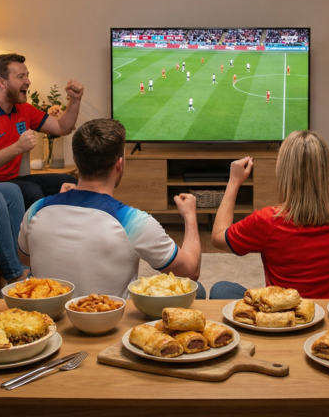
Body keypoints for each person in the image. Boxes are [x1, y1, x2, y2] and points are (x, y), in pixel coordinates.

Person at [17, 119, 203, 298]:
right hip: (108, 325)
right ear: (120, 165)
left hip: (47, 322)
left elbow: (25, 258)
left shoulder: (36, 210)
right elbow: (190, 271)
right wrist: (190, 216)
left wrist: (60, 202)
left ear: (76, 160)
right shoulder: (135, 222)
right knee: (198, 291)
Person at [209, 98, 329, 299]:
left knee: (221, 290)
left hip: (287, 319)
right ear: (328, 168)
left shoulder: (267, 221)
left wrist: (234, 182)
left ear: (284, 172)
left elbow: (218, 237)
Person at [0, 53, 83, 210]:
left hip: (11, 181)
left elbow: (61, 127)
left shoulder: (23, 109)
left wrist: (75, 100)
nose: (28, 82)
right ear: (1, 82)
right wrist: (18, 147)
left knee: (68, 182)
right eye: (21, 77)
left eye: (27, 76)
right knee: (31, 191)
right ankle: (33, 234)